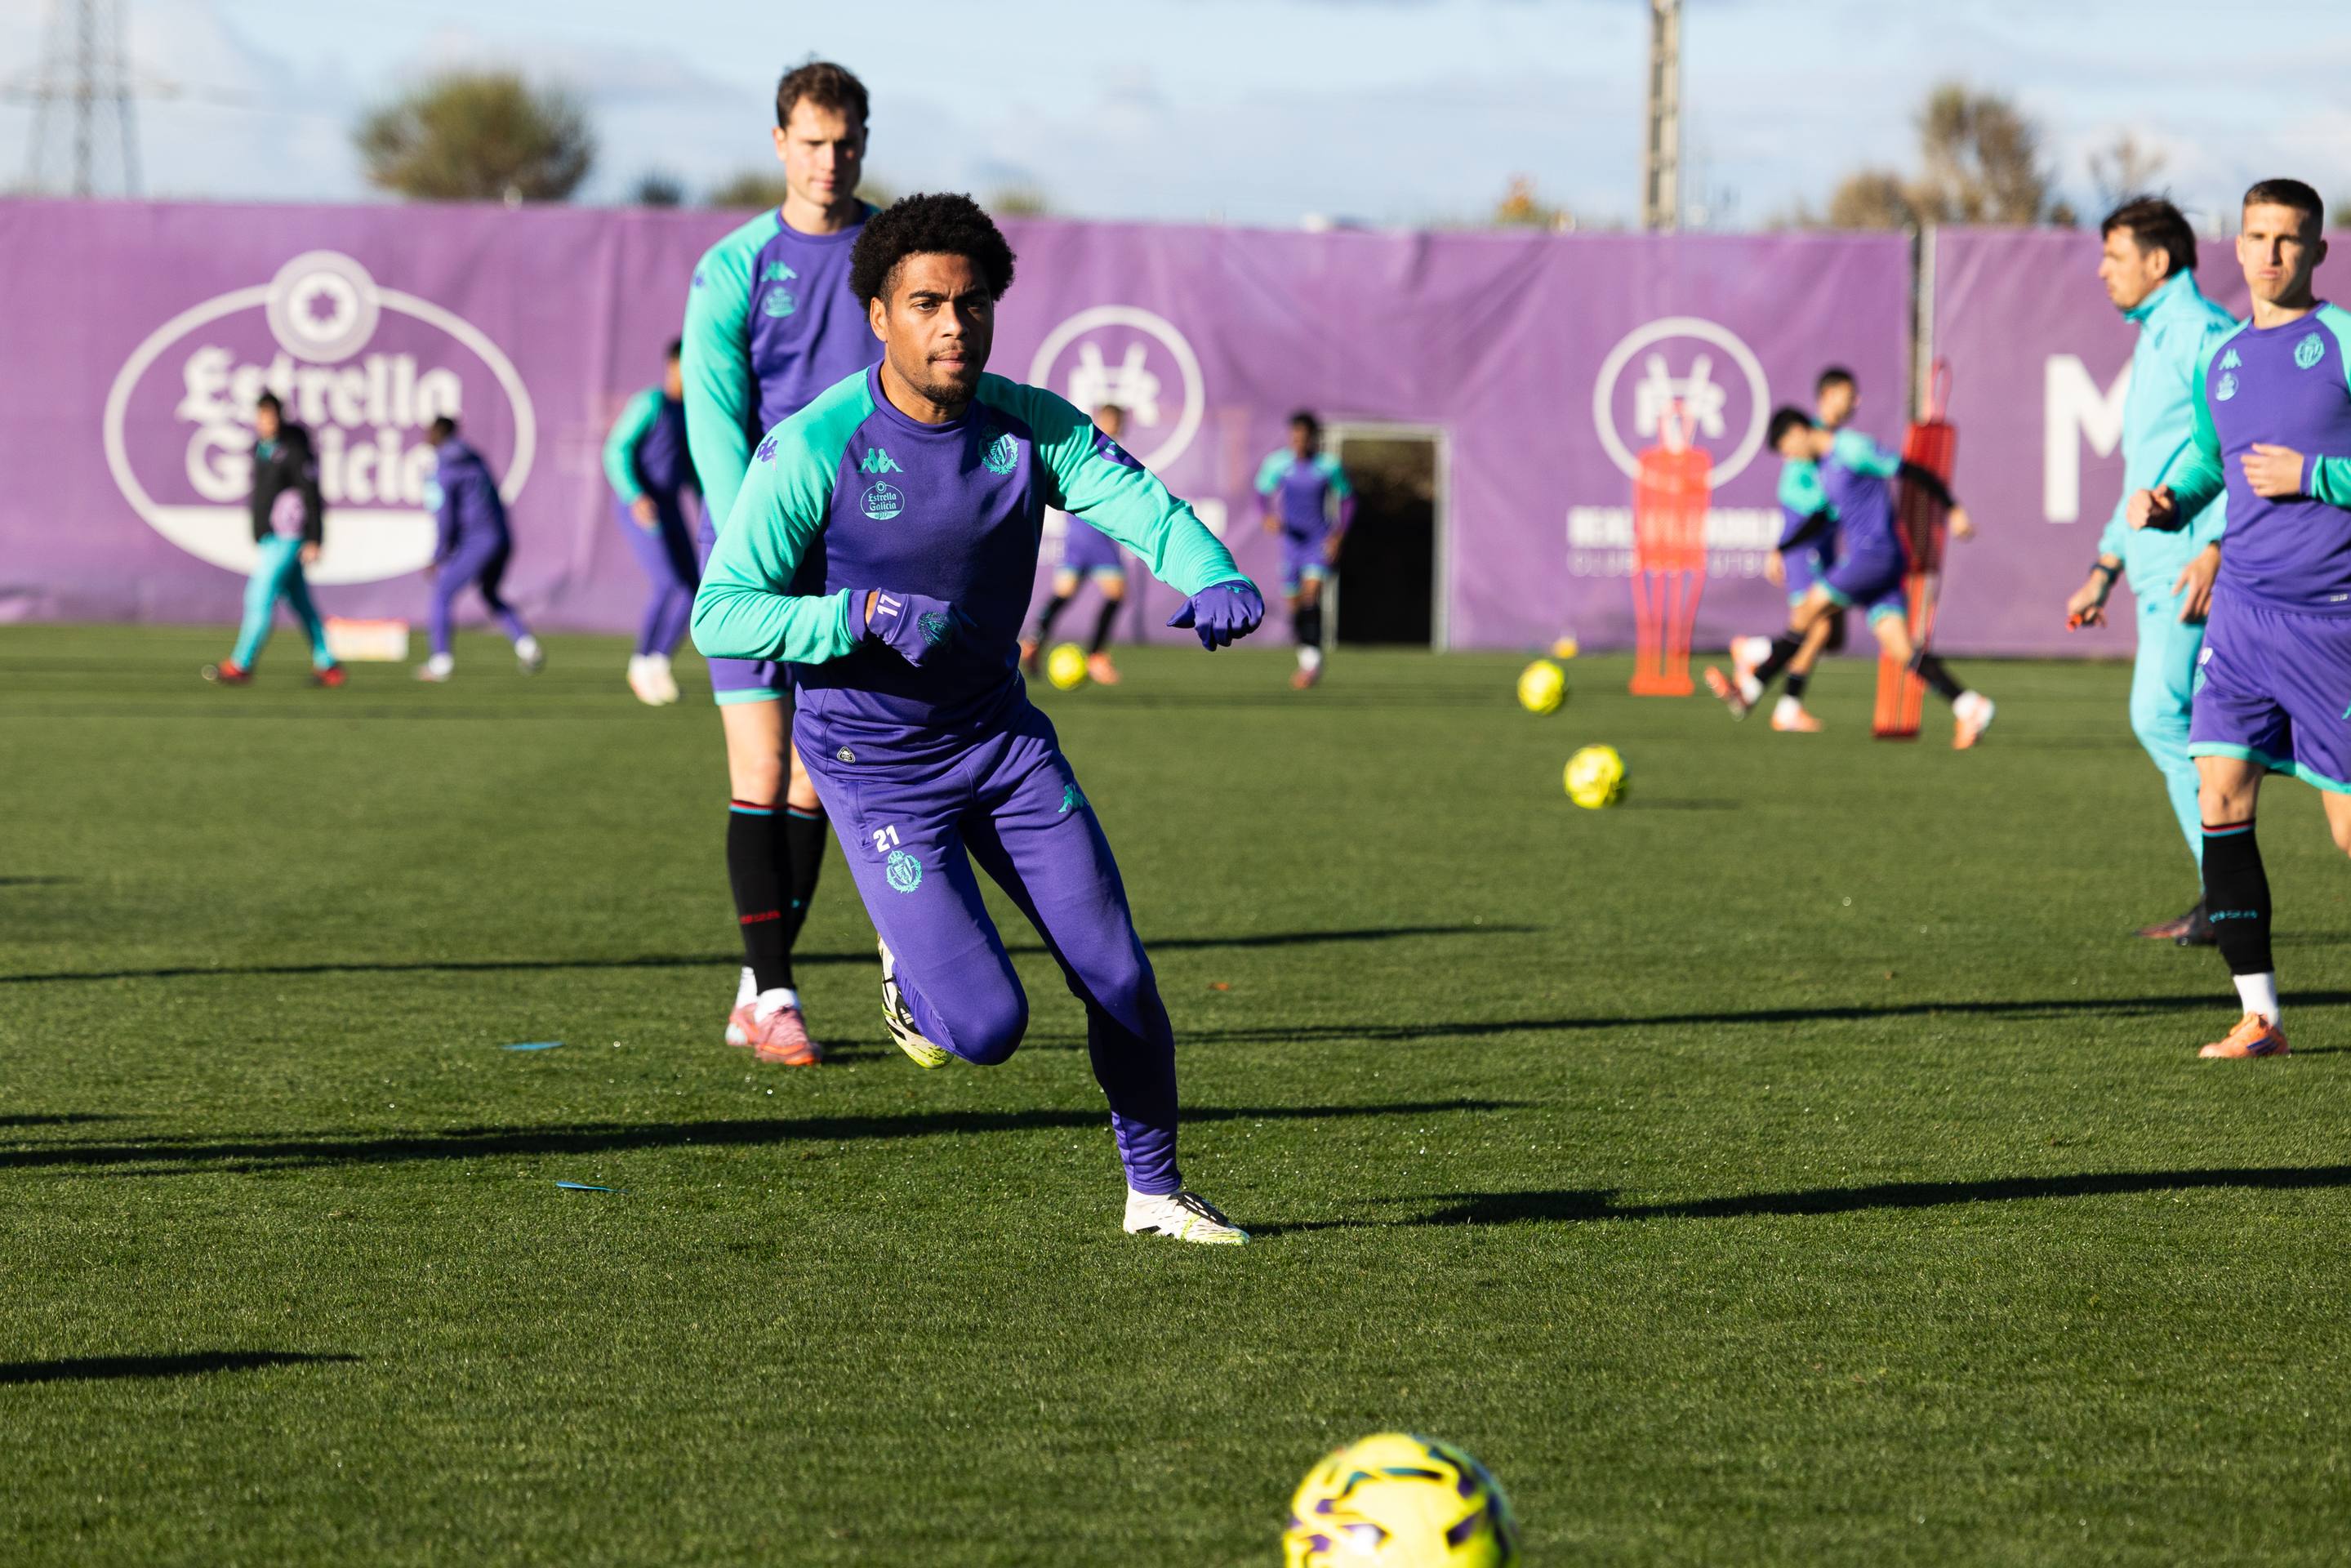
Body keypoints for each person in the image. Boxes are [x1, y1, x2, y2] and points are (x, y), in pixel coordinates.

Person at [692, 194, 1265, 1243]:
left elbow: (1142, 505)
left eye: (972, 302)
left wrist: (1210, 569)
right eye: (926, 304)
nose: (953, 324)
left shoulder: (1028, 425)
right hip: (873, 766)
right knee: (991, 1030)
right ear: (879, 316)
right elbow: (719, 611)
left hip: (1000, 746)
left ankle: (1154, 1192)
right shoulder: (811, 446)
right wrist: (853, 615)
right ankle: (912, 979)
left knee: (1117, 972)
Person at [681, 60, 881, 1067]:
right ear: (778, 144)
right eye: (811, 142)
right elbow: (713, 424)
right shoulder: (732, 267)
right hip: (757, 557)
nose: (828, 161)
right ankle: (775, 989)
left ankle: (759, 985)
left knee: (814, 780)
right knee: (761, 765)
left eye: (844, 143)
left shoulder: (892, 256)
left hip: (853, 556)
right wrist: (753, 547)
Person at [2127, 177, 2351, 1060]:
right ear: (2236, 246)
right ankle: (2260, 1015)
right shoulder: (2217, 359)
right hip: (2243, 621)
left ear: (2316, 252)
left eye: (2287, 240)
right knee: (2218, 793)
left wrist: (2315, 477)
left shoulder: (2338, 342)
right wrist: (2168, 500)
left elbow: (2292, 470)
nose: (2268, 254)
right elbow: (2208, 460)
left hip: (2333, 624)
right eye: (2255, 237)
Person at [2063, 198, 2237, 947]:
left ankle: (2228, 893)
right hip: (2153, 565)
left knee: (2163, 718)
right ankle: (2223, 892)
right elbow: (2152, 471)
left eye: (2114, 255)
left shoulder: (2200, 336)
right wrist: (2104, 565)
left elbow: (2245, 450)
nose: (2102, 270)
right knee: (2187, 724)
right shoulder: (2157, 336)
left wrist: (2217, 547)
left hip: (2190, 570)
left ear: (2157, 261)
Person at [1707, 411, 1992, 746]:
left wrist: (1953, 508)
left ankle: (1751, 689)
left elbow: (1913, 470)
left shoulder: (1851, 448)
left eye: (1788, 448)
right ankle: (1970, 705)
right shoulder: (1823, 467)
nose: (1790, 458)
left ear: (1800, 432)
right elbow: (1819, 518)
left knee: (1808, 611)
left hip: (1875, 554)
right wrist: (1782, 547)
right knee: (1900, 647)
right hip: (1876, 563)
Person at [1739, 366, 1859, 731]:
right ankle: (1787, 708)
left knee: (1834, 636)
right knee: (1816, 629)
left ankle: (1757, 650)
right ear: (1828, 394)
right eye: (1848, 393)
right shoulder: (1807, 437)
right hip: (1804, 544)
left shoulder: (1835, 440)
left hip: (1823, 546)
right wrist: (1782, 547)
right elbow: (1797, 495)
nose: (1855, 401)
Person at [201, 392, 344, 688]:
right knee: (302, 604)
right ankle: (328, 662)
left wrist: (315, 538)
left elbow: (311, 495)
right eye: (261, 416)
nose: (265, 422)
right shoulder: (261, 448)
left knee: (258, 596)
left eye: (270, 416)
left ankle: (242, 663)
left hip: (289, 537)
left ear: (280, 417)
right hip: (271, 537)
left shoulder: (294, 450)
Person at [603, 340, 701, 706]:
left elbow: (688, 468)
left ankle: (657, 664)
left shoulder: (689, 412)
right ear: (672, 365)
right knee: (670, 585)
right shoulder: (650, 404)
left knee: (694, 590)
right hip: (643, 508)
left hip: (671, 508)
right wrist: (634, 495)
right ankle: (641, 663)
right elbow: (616, 449)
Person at [414, 416, 542, 682]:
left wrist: (438, 555)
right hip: (502, 536)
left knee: (442, 594)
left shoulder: (446, 467)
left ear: (438, 433)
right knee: (490, 594)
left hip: (478, 540)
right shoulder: (475, 458)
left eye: (429, 431)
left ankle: (440, 662)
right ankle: (527, 646)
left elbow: (446, 516)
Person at [1020, 403, 1133, 684]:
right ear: (1105, 420)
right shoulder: (1106, 452)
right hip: (1094, 531)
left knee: (1065, 592)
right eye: (1114, 421)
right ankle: (1096, 655)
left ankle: (1033, 639)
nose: (1118, 426)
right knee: (1116, 593)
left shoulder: (1085, 446)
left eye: (1119, 421)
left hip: (1078, 531)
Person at [1256, 412, 1354, 688]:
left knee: (1312, 596)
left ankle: (1310, 668)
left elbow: (1347, 500)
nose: (1298, 443)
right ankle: (1310, 658)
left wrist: (1338, 535)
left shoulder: (1328, 466)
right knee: (1295, 605)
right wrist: (1267, 516)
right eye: (1294, 437)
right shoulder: (1278, 464)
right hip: (1291, 544)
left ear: (1314, 438)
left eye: (1304, 438)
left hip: (1318, 542)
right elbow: (1261, 493)